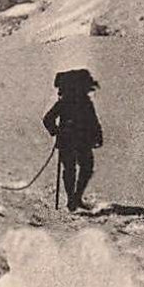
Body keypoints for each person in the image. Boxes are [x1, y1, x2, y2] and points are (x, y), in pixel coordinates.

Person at [43, 69, 103, 212]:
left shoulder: (69, 102)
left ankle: (73, 198)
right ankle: (74, 198)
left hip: (72, 141)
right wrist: (57, 131)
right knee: (82, 168)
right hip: (79, 141)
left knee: (75, 169)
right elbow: (48, 119)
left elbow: (48, 120)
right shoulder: (79, 102)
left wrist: (56, 131)